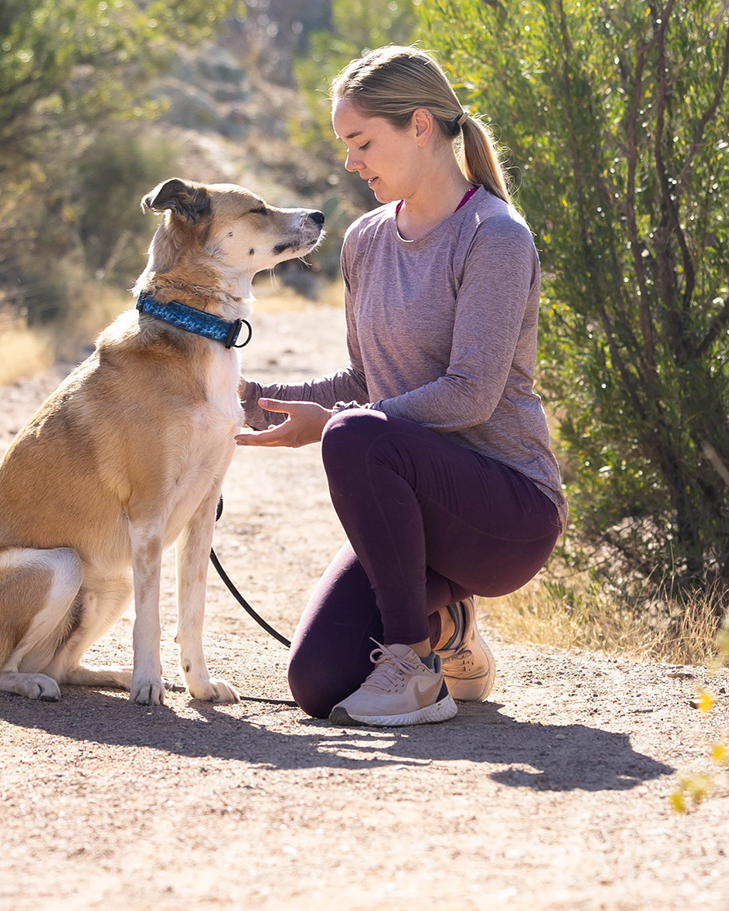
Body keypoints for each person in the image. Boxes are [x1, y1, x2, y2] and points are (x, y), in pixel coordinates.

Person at [234, 45, 565, 726]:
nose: (350, 162)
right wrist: (245, 393)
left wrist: (334, 425)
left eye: (361, 142)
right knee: (317, 681)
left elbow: (470, 393)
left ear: (419, 125)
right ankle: (451, 631)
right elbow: (362, 380)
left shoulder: (493, 236)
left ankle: (415, 671)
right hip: (412, 513)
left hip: (507, 514)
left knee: (356, 433)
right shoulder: (365, 239)